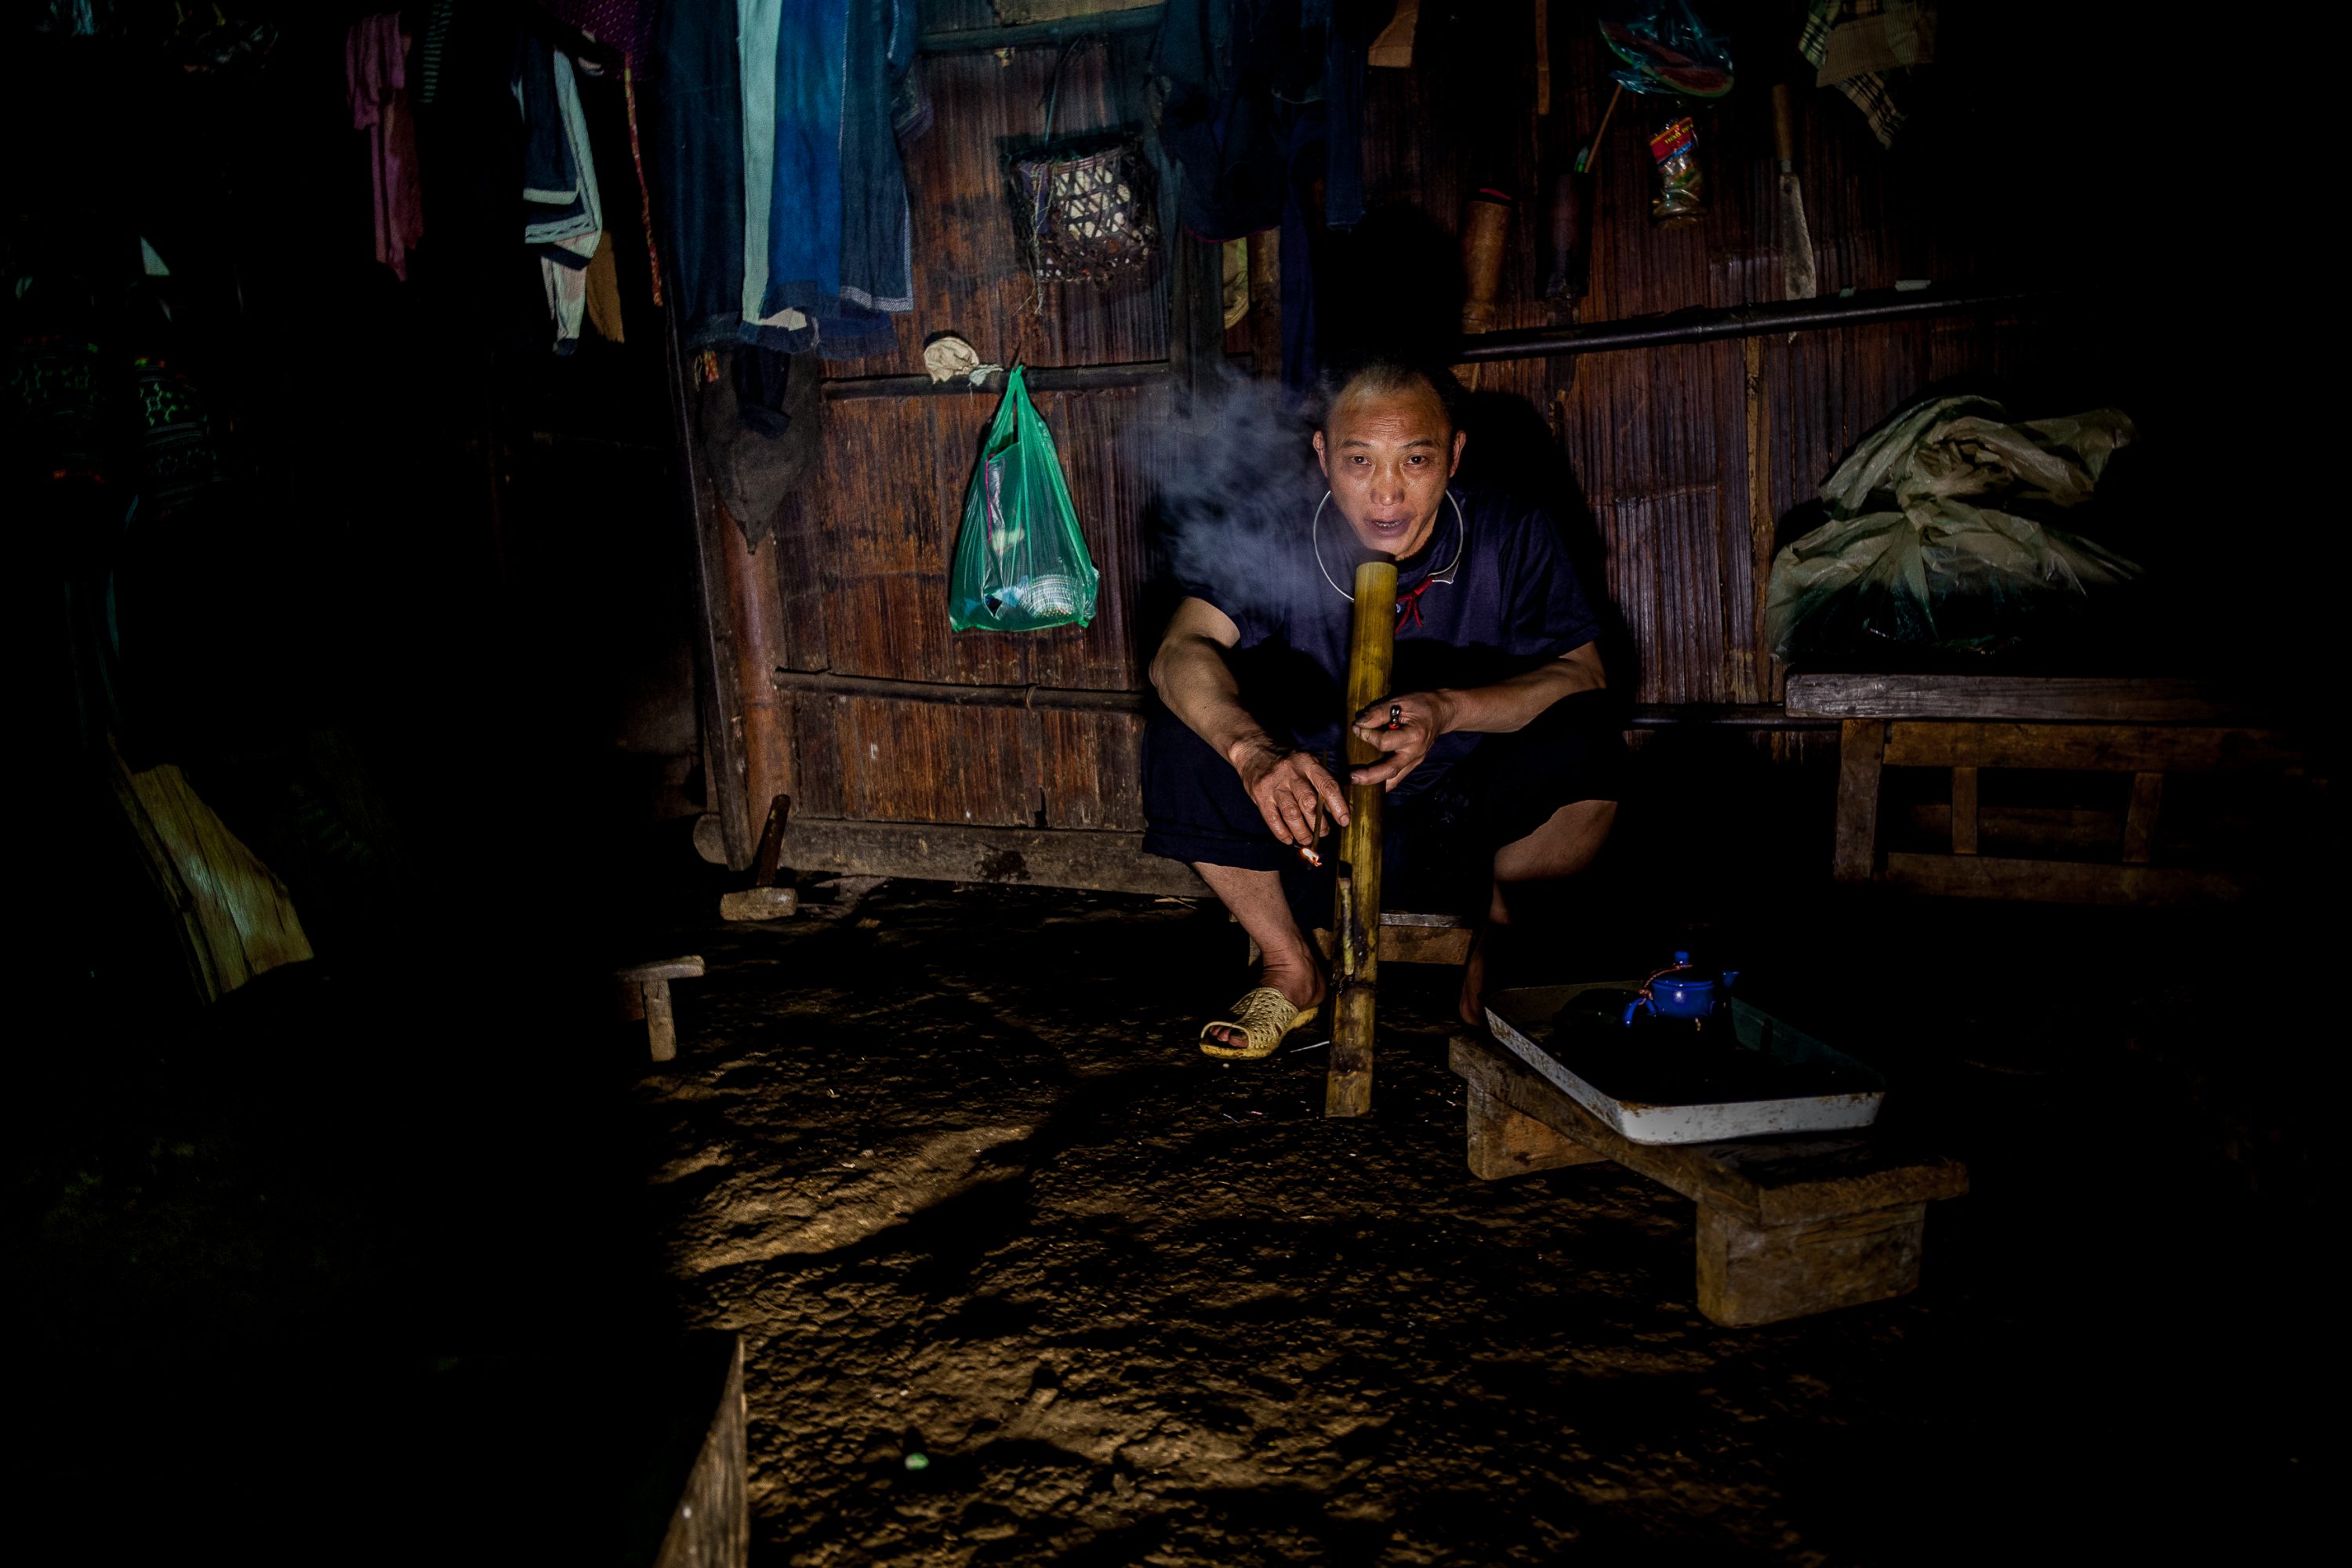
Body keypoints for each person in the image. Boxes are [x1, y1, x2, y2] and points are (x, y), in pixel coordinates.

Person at [1143, 356, 1624, 1057]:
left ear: (1454, 454)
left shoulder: (1507, 529)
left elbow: (1582, 674)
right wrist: (1255, 755)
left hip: (1466, 823)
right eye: (1359, 461)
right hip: (1316, 814)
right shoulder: (1280, 531)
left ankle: (1502, 936)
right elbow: (1178, 650)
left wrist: (1449, 709)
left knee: (1590, 741)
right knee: (1186, 725)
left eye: (1416, 460)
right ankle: (1290, 964)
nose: (1387, 494)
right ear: (1323, 456)